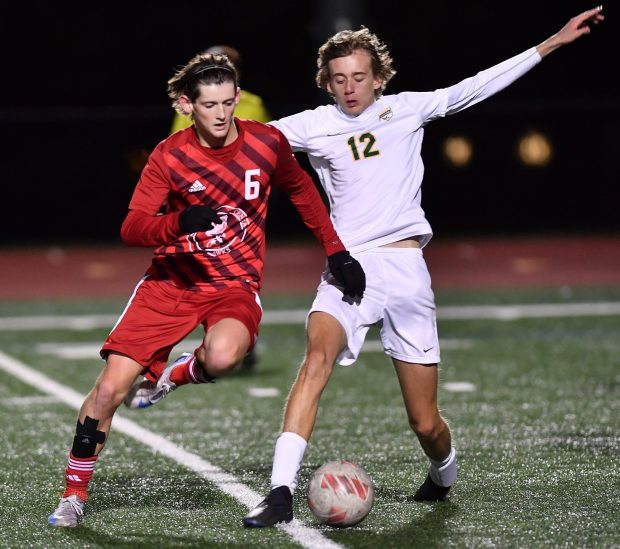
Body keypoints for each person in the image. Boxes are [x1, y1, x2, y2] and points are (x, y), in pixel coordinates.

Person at [241, 6, 605, 527]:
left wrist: (552, 43)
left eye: (360, 78)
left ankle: (443, 472)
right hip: (348, 272)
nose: (349, 89)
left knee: (425, 421)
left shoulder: (408, 109)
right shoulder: (312, 126)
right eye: (339, 79)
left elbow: (475, 87)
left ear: (380, 78)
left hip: (406, 273)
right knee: (315, 359)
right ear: (327, 82)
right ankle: (279, 491)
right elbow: (243, 143)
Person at [47, 51, 365, 528]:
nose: (220, 114)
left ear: (238, 98)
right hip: (170, 284)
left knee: (223, 357)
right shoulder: (169, 155)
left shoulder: (266, 143)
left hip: (232, 283)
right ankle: (74, 492)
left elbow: (300, 189)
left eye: (227, 102)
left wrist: (336, 252)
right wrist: (177, 222)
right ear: (185, 105)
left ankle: (174, 376)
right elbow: (132, 227)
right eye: (209, 104)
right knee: (110, 391)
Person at [171, 45, 270, 372]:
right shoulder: (190, 105)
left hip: (240, 207)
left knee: (239, 276)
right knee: (202, 275)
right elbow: (176, 155)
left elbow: (266, 152)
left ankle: (240, 339)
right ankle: (219, 342)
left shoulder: (252, 103)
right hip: (203, 204)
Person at [170, 44, 271, 133]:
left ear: (237, 74)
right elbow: (177, 145)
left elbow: (265, 141)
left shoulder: (254, 104)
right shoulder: (190, 104)